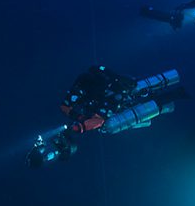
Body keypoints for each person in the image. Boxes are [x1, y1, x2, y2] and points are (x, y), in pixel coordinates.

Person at [27, 66, 186, 167]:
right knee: (111, 124)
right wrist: (79, 119)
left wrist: (116, 79)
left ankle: (169, 97)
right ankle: (168, 100)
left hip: (119, 95)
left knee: (112, 122)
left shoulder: (101, 83)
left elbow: (100, 72)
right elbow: (65, 107)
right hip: (110, 106)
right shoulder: (84, 92)